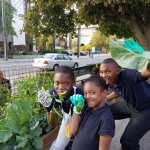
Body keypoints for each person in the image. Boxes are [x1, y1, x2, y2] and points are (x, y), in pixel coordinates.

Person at [99, 58, 150, 150]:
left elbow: (145, 73)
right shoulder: (110, 81)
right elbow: (118, 90)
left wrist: (145, 58)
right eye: (101, 72)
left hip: (146, 110)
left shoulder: (128, 75)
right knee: (104, 112)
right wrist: (104, 99)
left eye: (108, 71)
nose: (104, 75)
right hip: (131, 106)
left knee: (127, 141)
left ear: (117, 71)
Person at [38, 66, 84, 150]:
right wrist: (49, 108)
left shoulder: (80, 92)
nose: (61, 87)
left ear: (73, 82)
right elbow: (53, 124)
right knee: (58, 146)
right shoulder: (53, 94)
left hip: (84, 118)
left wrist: (75, 131)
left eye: (66, 83)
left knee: (80, 144)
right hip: (68, 119)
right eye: (57, 83)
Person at [69, 76, 115, 150]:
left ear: (104, 93)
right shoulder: (85, 109)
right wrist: (76, 109)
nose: (87, 96)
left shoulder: (106, 118)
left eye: (92, 93)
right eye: (85, 93)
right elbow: (73, 131)